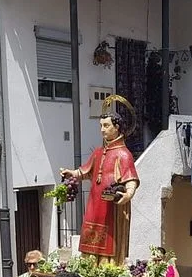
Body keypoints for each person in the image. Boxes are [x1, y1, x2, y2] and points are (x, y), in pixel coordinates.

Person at [59, 105, 139, 265]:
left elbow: (131, 178)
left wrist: (128, 194)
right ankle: (89, 265)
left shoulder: (124, 154)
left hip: (111, 206)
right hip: (95, 203)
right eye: (101, 126)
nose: (102, 130)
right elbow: (85, 172)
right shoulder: (97, 152)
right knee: (91, 234)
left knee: (109, 239)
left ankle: (107, 267)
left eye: (106, 125)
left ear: (117, 128)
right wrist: (71, 173)